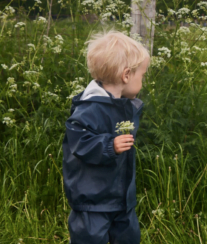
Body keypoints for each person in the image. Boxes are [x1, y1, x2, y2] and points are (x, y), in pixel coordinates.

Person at [62, 30, 150, 244]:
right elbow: (79, 142)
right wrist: (109, 145)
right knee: (90, 240)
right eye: (142, 75)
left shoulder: (123, 105)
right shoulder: (89, 108)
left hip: (122, 200)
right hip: (93, 202)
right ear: (126, 75)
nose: (143, 81)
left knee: (129, 238)